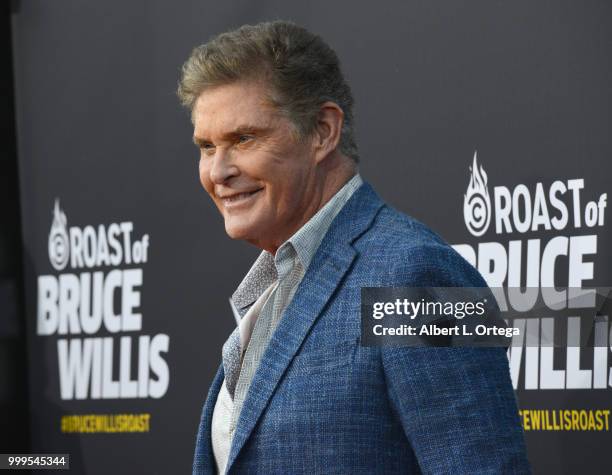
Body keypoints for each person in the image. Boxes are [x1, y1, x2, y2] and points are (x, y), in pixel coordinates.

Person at [178, 20, 530, 474]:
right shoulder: (273, 285)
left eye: (243, 139)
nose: (219, 170)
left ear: (323, 131)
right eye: (206, 146)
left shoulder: (419, 272)